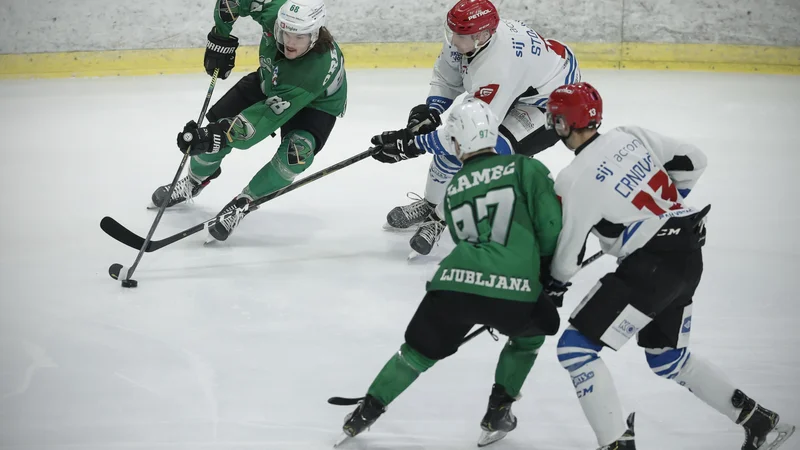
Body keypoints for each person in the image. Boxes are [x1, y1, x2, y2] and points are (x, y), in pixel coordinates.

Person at [543, 82, 796, 450]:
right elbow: (694, 161)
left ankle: (615, 443)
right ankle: (760, 423)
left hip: (652, 267)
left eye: (556, 120)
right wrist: (668, 211)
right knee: (667, 358)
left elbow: (567, 261)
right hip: (688, 254)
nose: (554, 126)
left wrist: (554, 284)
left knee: (575, 349)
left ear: (566, 123)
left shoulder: (573, 179)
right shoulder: (629, 135)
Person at [336, 100, 563, 447]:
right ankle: (498, 410)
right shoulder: (525, 167)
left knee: (416, 353)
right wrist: (545, 274)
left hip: (454, 283)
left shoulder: (456, 188)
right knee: (530, 336)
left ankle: (365, 412)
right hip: (515, 287)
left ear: (457, 143)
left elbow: (462, 237)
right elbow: (550, 225)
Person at [368, 0, 580, 256]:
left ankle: (439, 218)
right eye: (452, 32)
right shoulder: (468, 36)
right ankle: (431, 203)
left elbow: (468, 134)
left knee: (482, 156)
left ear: (483, 36)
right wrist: (432, 110)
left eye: (461, 36)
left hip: (552, 102)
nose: (453, 41)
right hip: (526, 85)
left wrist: (412, 145)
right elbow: (447, 77)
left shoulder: (499, 66)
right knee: (449, 149)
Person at [150, 0, 347, 242]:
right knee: (215, 128)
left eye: (299, 37)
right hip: (270, 80)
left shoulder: (314, 69)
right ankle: (193, 181)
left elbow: (261, 120)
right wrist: (220, 37)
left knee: (297, 154)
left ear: (315, 34)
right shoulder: (277, 13)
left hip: (315, 103)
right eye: (285, 33)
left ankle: (245, 202)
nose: (289, 42)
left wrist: (219, 135)